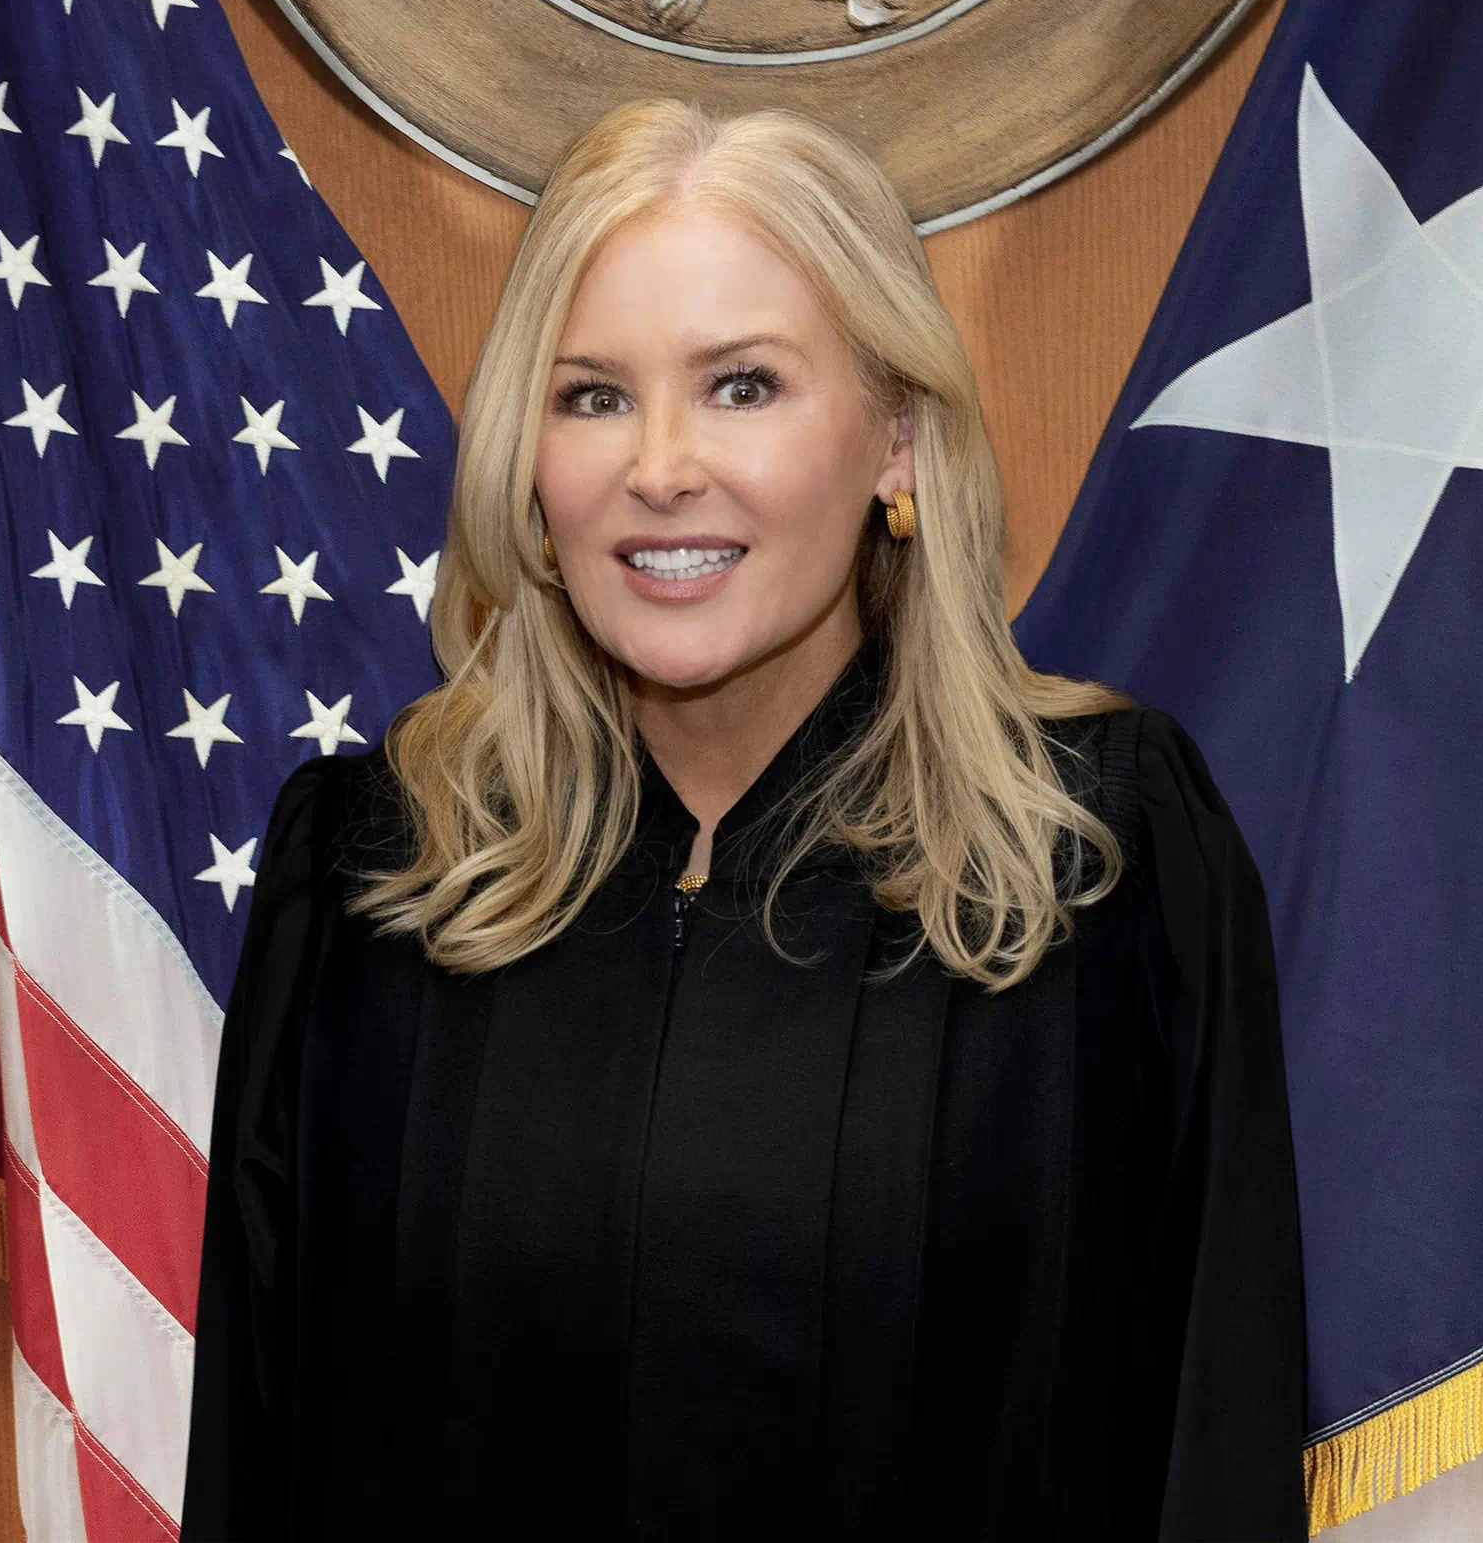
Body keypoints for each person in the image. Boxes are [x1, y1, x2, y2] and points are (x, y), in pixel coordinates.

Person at [179, 98, 1309, 1541]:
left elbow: (1213, 1463)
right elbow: (261, 1471)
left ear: (896, 438)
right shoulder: (378, 874)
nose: (660, 467)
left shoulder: (1100, 867)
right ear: (529, 464)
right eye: (592, 394)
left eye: (742, 385)